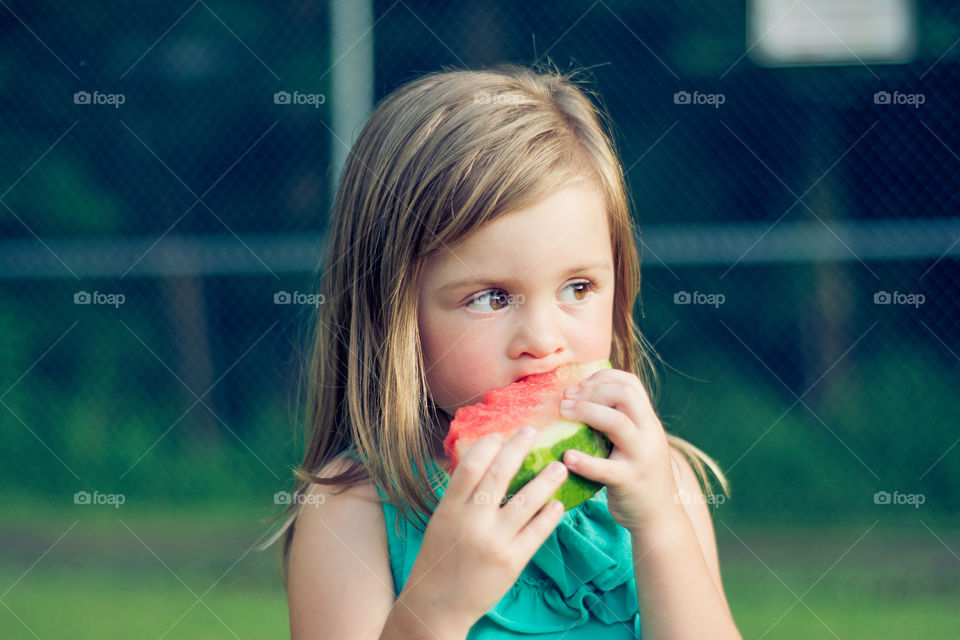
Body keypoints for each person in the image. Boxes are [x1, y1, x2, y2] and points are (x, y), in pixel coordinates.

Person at [264, 62, 742, 639]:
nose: (543, 341)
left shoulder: (662, 478)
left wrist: (661, 525)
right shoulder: (354, 510)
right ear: (394, 315)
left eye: (578, 288)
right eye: (491, 298)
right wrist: (437, 603)